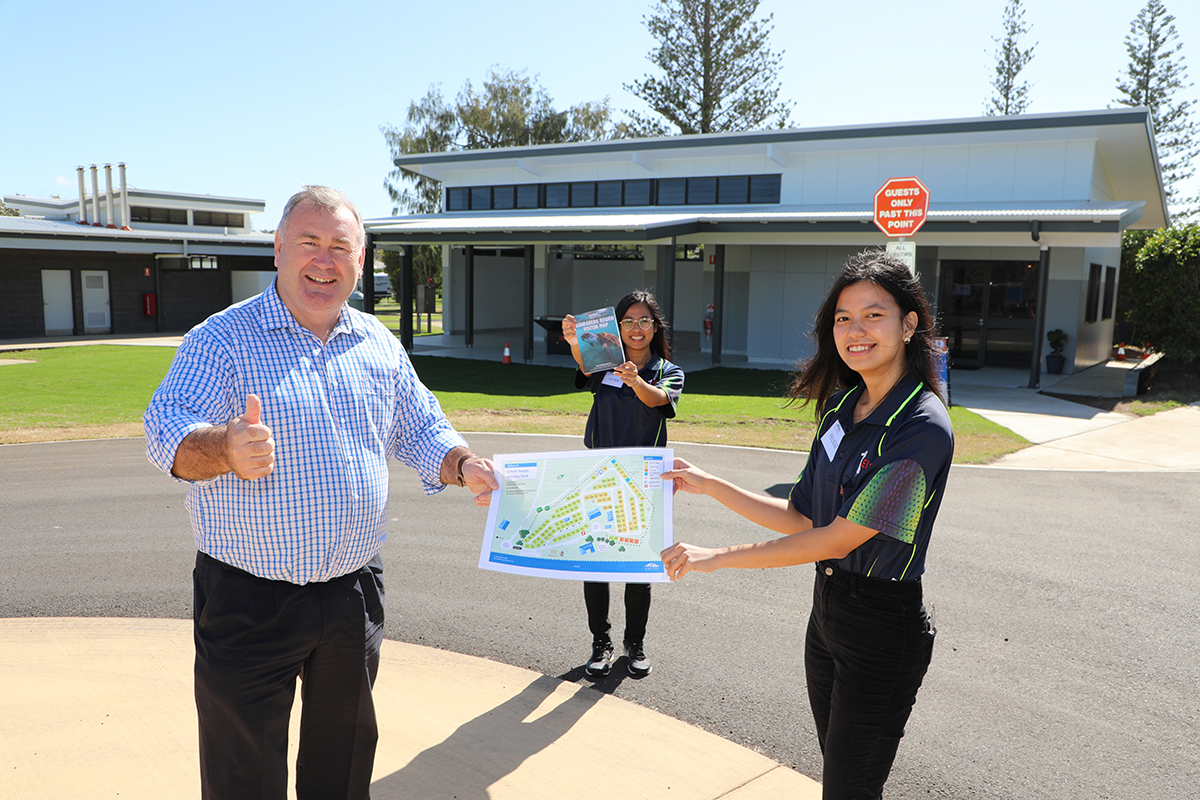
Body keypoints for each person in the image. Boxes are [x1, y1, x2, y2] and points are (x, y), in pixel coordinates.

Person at [143, 185, 498, 800]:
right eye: (309, 242)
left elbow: (420, 427)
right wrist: (223, 447)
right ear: (278, 249)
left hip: (352, 595)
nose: (324, 259)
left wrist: (463, 464)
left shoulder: (378, 345)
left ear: (361, 263)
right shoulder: (222, 340)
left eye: (341, 246)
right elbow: (165, 432)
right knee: (242, 775)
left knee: (343, 768)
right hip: (248, 600)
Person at [660, 251, 953, 800]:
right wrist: (709, 483)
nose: (855, 330)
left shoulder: (922, 429)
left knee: (849, 790)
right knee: (844, 780)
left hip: (881, 627)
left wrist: (715, 556)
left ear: (909, 324)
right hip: (828, 616)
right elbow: (802, 517)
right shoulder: (844, 409)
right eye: (843, 318)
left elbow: (839, 537)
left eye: (873, 315)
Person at [561, 290, 684, 678]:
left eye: (644, 320)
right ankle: (601, 642)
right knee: (595, 565)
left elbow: (660, 401)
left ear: (655, 327)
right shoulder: (606, 364)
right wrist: (573, 343)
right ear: (617, 327)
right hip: (597, 477)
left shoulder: (668, 370)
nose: (636, 328)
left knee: (638, 568)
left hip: (642, 482)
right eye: (628, 320)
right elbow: (584, 369)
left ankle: (636, 644)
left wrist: (635, 381)